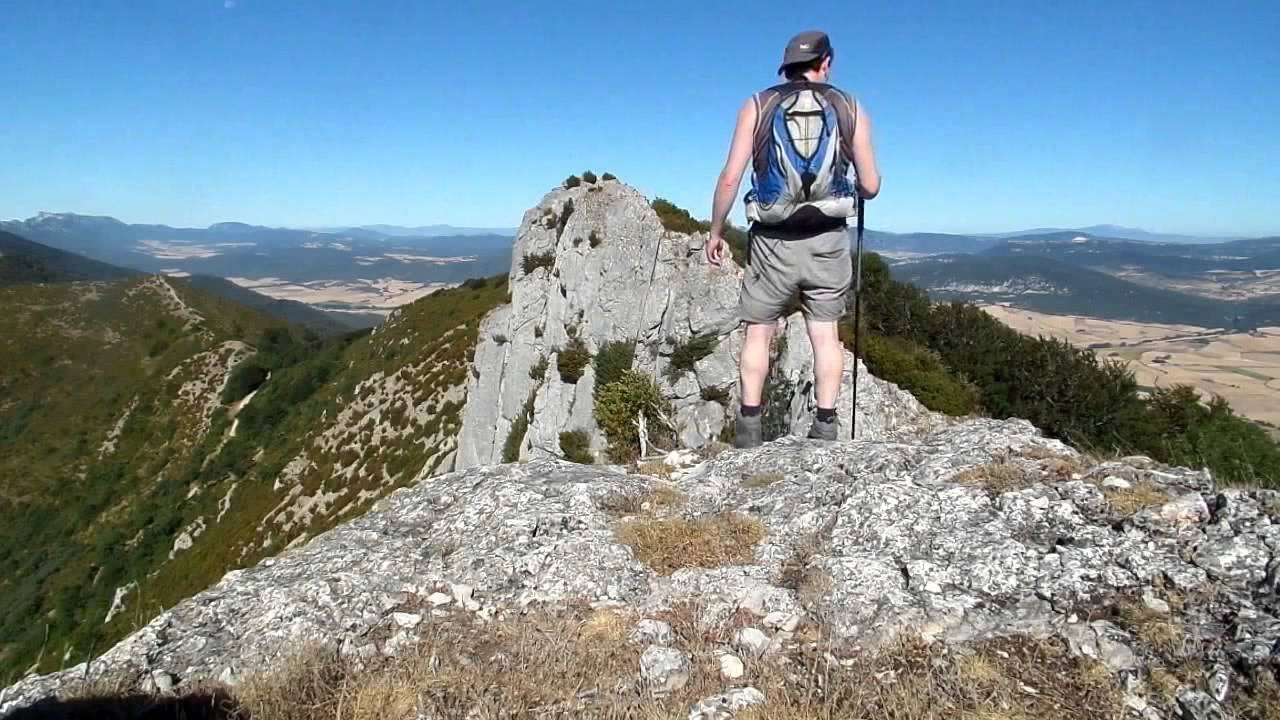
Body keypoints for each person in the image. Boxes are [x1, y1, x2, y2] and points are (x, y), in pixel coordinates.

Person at [705, 30, 880, 448]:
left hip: (770, 242)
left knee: (759, 333)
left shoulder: (758, 104)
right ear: (827, 63)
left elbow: (731, 176)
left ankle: (749, 431)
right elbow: (870, 186)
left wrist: (715, 231)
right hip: (828, 239)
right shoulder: (850, 106)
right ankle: (824, 426)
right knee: (825, 334)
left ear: (785, 67)